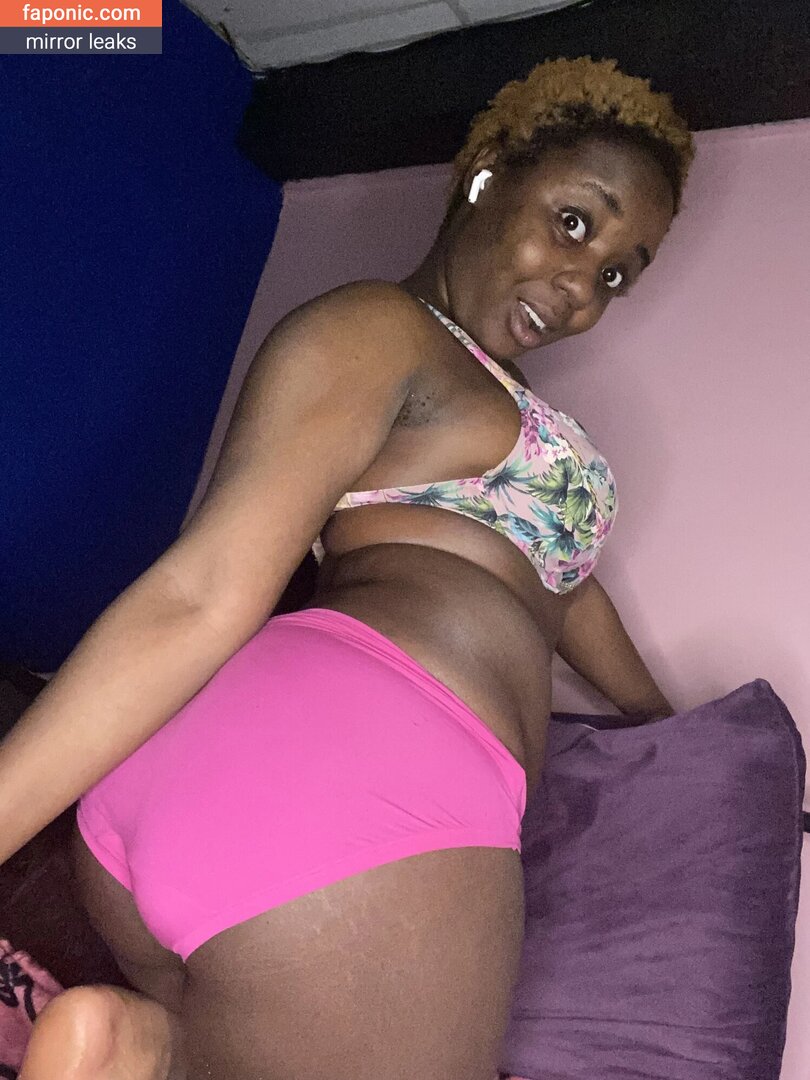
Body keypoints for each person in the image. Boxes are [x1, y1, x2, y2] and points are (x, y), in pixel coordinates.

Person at [7, 57, 693, 1080]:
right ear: (489, 172)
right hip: (356, 774)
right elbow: (203, 593)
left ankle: (119, 1047)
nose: (580, 288)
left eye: (615, 275)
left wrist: (663, 721)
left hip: (267, 796)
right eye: (573, 224)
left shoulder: (507, 413)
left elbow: (563, 584)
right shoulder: (381, 330)